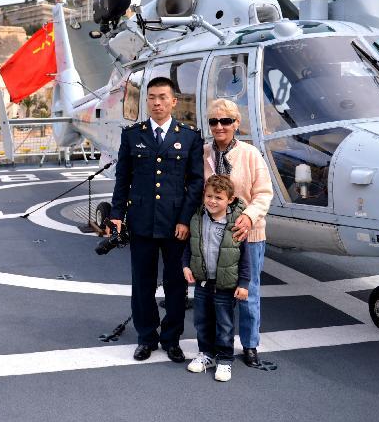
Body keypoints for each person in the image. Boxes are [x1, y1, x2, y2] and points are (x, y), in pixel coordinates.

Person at [108, 77, 204, 363]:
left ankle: (171, 339)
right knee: (142, 283)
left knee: (176, 285)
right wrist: (116, 214)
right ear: (146, 101)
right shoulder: (132, 135)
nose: (157, 102)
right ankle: (146, 337)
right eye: (151, 97)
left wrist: (185, 219)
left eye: (163, 97)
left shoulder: (189, 137)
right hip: (141, 222)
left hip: (176, 225)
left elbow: (196, 183)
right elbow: (122, 178)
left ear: (174, 101)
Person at [204, 98, 273, 368]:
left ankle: (250, 344)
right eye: (213, 121)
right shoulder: (204, 153)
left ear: (236, 123)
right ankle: (218, 344)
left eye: (226, 121)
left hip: (249, 234)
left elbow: (264, 193)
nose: (219, 126)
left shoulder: (250, 154)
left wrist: (248, 216)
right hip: (214, 235)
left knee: (248, 292)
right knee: (214, 292)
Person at [182, 175, 250, 382]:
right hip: (203, 282)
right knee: (202, 321)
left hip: (225, 285)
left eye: (218, 197)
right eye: (209, 196)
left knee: (224, 324)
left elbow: (245, 256)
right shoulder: (197, 218)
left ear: (229, 200)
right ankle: (206, 354)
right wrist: (185, 265)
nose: (212, 201)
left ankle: (225, 359)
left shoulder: (236, 223)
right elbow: (189, 245)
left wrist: (244, 284)